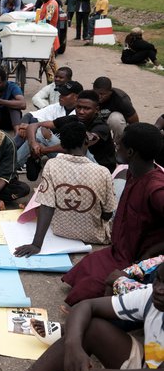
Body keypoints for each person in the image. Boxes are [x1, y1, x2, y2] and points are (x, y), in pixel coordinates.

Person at [59, 123, 164, 306]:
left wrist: (146, 257)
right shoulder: (133, 172)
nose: (116, 144)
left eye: (119, 142)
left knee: (90, 291)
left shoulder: (156, 189)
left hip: (138, 260)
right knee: (87, 265)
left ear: (131, 152)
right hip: (120, 251)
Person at [18, 263, 164, 371]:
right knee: (91, 328)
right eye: (158, 279)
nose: (158, 289)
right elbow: (86, 306)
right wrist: (73, 347)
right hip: (148, 365)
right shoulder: (150, 295)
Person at [14, 122, 116, 257]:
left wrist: (36, 244)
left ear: (62, 144)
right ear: (86, 141)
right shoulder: (102, 172)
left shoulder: (52, 165)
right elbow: (108, 213)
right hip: (96, 236)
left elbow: (47, 205)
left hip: (60, 231)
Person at [26, 90, 116, 175]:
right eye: (78, 107)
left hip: (98, 168)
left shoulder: (101, 127)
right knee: (39, 132)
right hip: (76, 161)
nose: (81, 112)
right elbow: (33, 125)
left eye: (86, 108)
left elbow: (79, 146)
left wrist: (44, 150)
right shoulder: (73, 119)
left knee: (79, 144)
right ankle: (15, 167)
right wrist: (34, 144)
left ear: (96, 109)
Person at [16, 80, 82, 171]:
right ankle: (14, 163)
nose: (60, 97)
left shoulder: (81, 114)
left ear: (76, 97)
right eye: (60, 94)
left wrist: (42, 147)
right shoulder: (57, 106)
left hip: (73, 156)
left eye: (64, 95)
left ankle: (11, 166)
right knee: (35, 132)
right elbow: (29, 115)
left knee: (39, 133)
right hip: (54, 149)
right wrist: (25, 126)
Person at [93, 76, 139, 141]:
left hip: (114, 121)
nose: (99, 96)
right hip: (97, 121)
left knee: (116, 119)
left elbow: (134, 122)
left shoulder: (121, 100)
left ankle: (119, 143)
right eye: (97, 93)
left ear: (110, 92)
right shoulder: (90, 96)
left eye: (102, 94)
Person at [34, 0, 59, 84]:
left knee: (48, 66)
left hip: (49, 39)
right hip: (46, 38)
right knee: (51, 64)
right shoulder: (44, 3)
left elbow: (47, 21)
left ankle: (53, 86)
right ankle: (59, 84)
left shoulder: (51, 4)